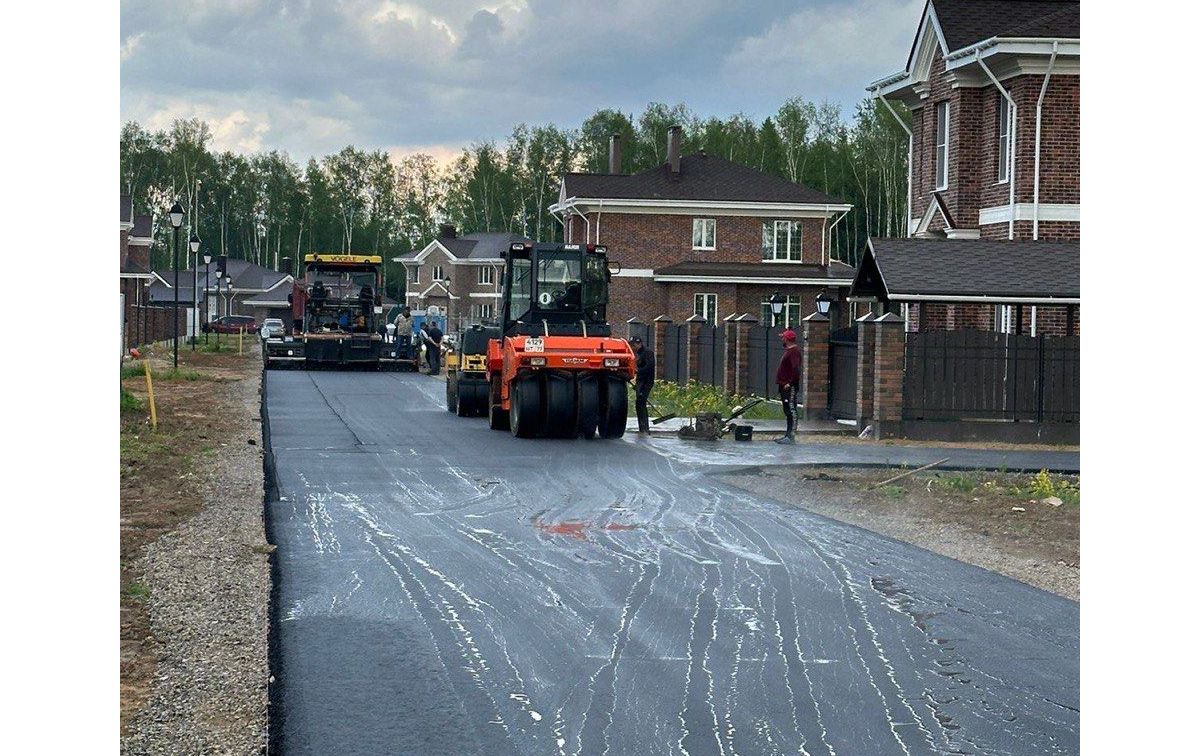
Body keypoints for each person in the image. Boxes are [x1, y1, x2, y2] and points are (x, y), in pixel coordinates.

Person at [775, 329, 802, 444]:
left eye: (783, 337)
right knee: (787, 410)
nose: (782, 339)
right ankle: (787, 434)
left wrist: (789, 383)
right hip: (783, 385)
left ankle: (791, 436)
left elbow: (796, 369)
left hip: (789, 387)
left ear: (787, 339)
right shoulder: (789, 351)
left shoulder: (794, 352)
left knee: (791, 410)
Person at [630, 335, 655, 434]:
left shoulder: (648, 352)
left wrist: (637, 371)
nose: (632, 346)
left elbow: (650, 366)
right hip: (640, 381)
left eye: (634, 344)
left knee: (641, 402)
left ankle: (645, 428)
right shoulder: (637, 353)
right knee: (638, 403)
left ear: (639, 343)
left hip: (647, 381)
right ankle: (642, 428)